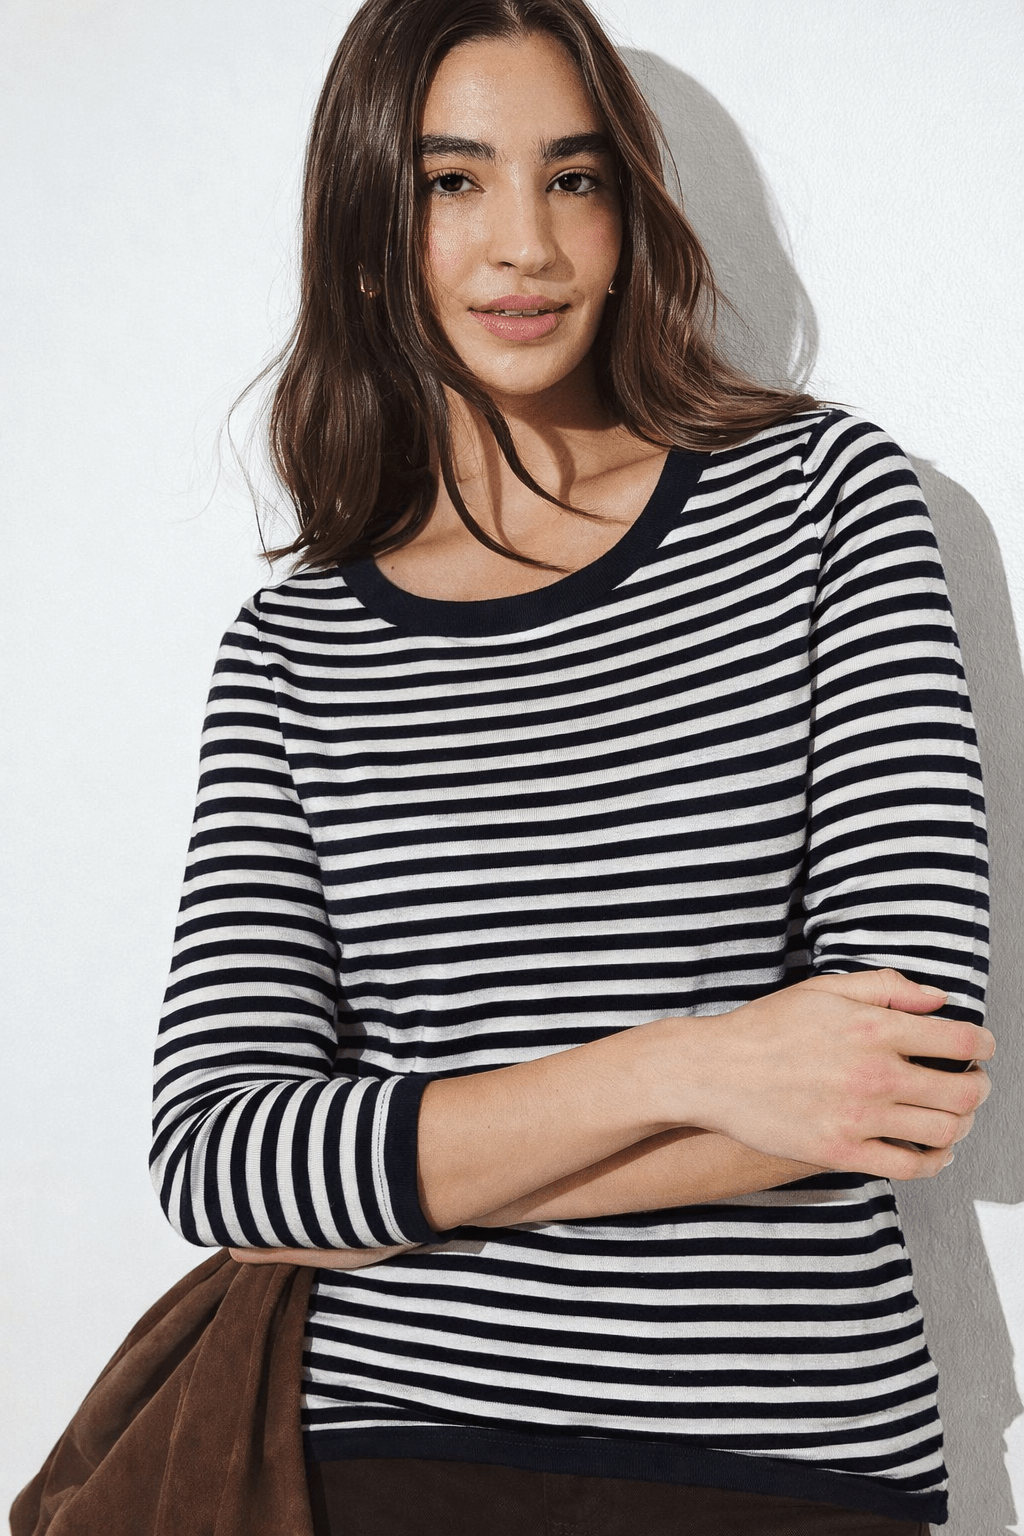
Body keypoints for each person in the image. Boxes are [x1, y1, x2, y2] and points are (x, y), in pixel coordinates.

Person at [150, 0, 993, 1531]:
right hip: (382, 1457)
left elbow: (903, 1074)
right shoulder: (296, 648)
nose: (525, 245)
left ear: (627, 213)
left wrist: (392, 1186)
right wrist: (685, 1066)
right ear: (367, 234)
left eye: (574, 177)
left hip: (784, 1453)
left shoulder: (826, 508)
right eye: (452, 181)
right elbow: (220, 1160)